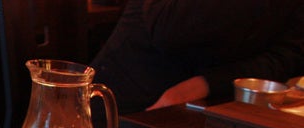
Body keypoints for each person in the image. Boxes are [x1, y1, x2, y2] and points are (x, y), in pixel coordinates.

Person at [90, 0, 304, 114]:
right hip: (128, 107)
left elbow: (289, 55)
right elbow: (170, 30)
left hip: (224, 110)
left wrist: (207, 83)